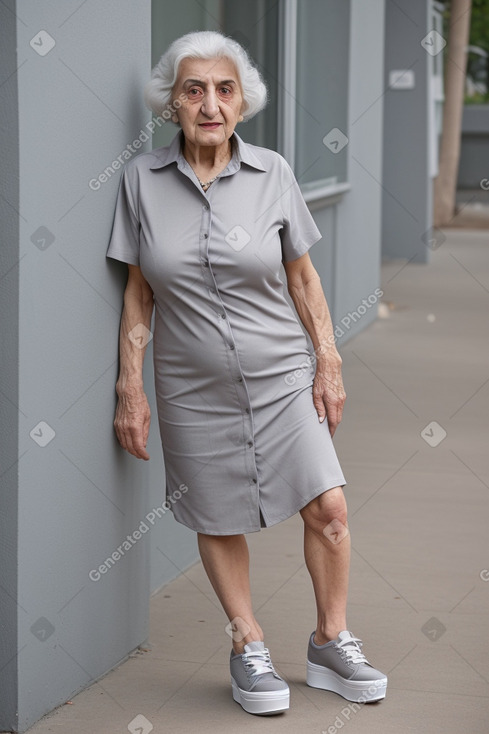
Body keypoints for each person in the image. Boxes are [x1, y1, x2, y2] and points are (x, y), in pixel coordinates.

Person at [107, 30, 387, 716]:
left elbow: (302, 278)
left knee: (328, 508)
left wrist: (327, 360)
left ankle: (329, 638)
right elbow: (139, 292)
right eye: (193, 89)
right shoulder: (140, 180)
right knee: (217, 512)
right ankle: (246, 641)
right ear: (171, 103)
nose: (209, 103)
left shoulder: (273, 173)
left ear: (242, 102)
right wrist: (128, 388)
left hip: (281, 372)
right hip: (189, 382)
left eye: (223, 89)